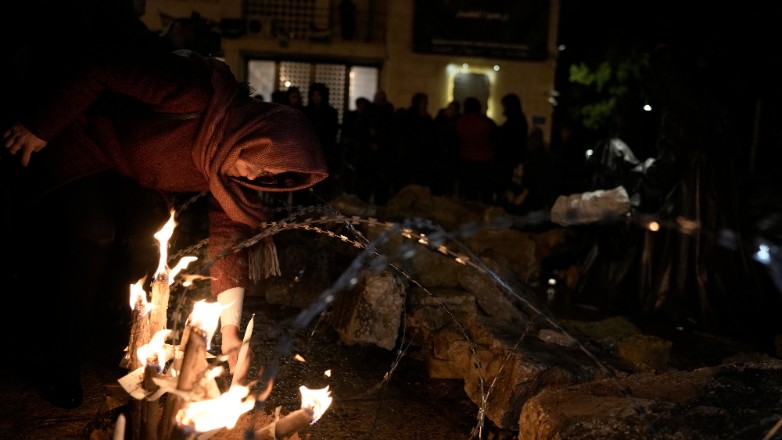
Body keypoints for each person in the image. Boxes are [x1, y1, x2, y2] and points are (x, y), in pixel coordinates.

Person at [1, 49, 328, 408]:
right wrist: (41, 126)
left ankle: (112, 338)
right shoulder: (193, 91)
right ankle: (57, 362)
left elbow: (227, 245)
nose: (252, 176)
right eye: (258, 164)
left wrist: (232, 335)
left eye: (265, 176)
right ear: (256, 133)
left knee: (143, 241)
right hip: (81, 138)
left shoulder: (226, 169)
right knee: (95, 234)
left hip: (126, 175)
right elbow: (100, 65)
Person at [455, 96, 497, 203]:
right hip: (485, 160)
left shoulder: (461, 122)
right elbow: (496, 138)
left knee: (470, 192)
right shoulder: (486, 121)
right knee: (485, 192)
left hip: (467, 160)